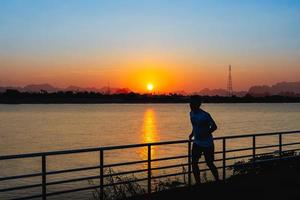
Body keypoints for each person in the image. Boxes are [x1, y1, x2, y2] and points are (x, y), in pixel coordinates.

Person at [188, 96, 219, 184]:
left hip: (207, 143)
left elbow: (214, 126)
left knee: (209, 163)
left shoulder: (205, 115)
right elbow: (195, 126)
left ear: (198, 104)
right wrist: (192, 134)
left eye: (192, 103)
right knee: (194, 163)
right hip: (197, 142)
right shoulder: (191, 114)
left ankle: (218, 181)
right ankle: (198, 183)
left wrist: (205, 134)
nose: (190, 105)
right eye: (190, 103)